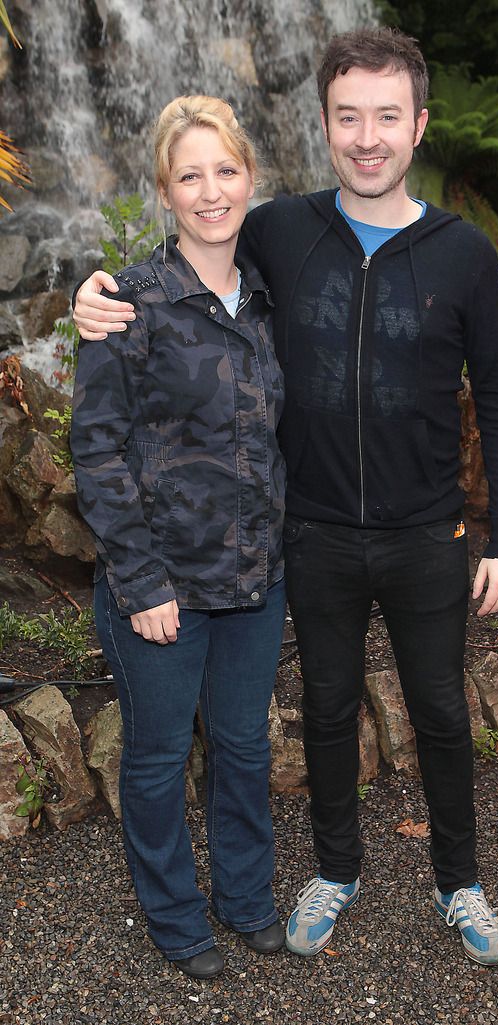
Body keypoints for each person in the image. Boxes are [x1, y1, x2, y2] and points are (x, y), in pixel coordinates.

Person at [73, 28, 498, 968]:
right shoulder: (281, 230)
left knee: (432, 712)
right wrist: (92, 291)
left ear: (418, 126)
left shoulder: (458, 254)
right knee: (317, 711)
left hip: (408, 536)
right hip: (305, 540)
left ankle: (459, 881)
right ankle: (330, 872)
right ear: (323, 126)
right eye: (349, 116)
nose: (368, 137)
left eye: (387, 118)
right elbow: (159, 308)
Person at [70, 95, 287, 980]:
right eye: (189, 175)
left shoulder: (272, 294)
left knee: (243, 744)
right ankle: (175, 916)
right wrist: (144, 580)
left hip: (256, 580)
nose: (210, 191)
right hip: (159, 585)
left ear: (251, 179)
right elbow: (96, 450)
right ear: (165, 190)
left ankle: (245, 898)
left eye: (225, 171)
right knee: (158, 758)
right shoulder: (129, 303)